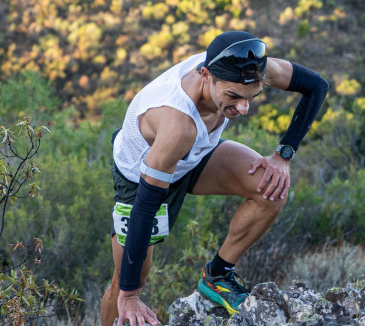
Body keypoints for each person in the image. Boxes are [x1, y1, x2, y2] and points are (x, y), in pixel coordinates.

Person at [100, 31, 329, 326]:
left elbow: (316, 86)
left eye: (251, 98)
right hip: (140, 177)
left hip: (195, 155)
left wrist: (283, 154)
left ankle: (217, 275)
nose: (243, 109)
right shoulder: (177, 122)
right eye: (233, 97)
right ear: (205, 75)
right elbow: (146, 206)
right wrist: (130, 296)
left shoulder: (250, 68)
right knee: (127, 281)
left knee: (270, 189)